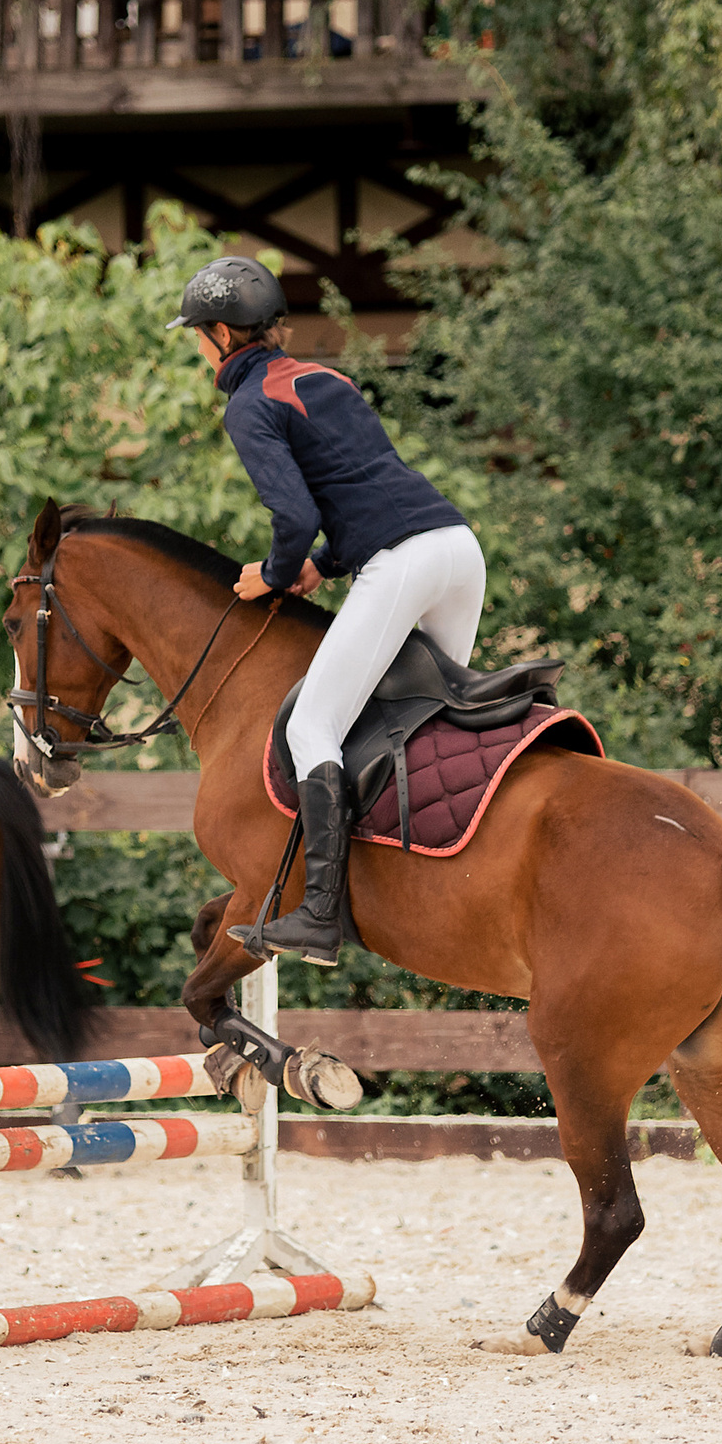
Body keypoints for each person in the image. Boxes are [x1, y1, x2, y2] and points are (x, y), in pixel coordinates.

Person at [169, 256, 483, 964]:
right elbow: (364, 488)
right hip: (458, 550)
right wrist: (322, 565)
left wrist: (278, 575)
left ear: (222, 333)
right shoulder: (324, 378)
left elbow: (295, 512)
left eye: (196, 334)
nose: (196, 346)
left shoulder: (249, 405)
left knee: (314, 723)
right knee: (417, 719)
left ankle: (317, 913)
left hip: (402, 562)